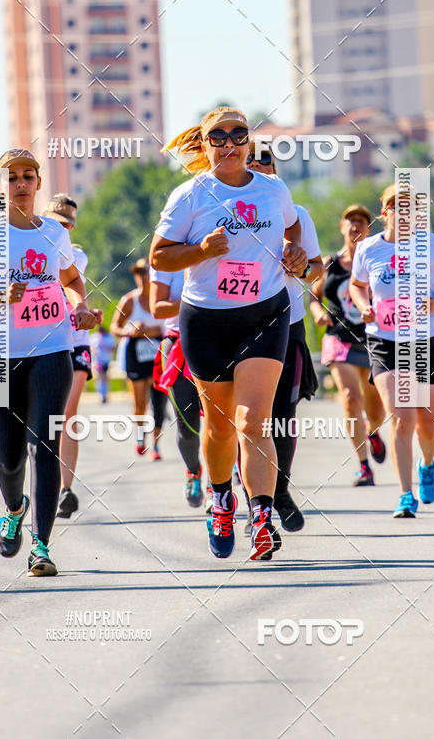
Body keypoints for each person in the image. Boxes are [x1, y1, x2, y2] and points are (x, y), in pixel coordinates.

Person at [150, 106, 306, 561]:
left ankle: (261, 515)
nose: (230, 143)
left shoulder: (273, 189)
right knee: (218, 427)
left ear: (248, 141)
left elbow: (291, 227)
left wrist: (294, 253)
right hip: (207, 319)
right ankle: (221, 501)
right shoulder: (190, 195)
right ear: (205, 145)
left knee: (254, 420)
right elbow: (160, 257)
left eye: (239, 134)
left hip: (265, 313)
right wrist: (199, 249)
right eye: (218, 137)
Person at [0, 149, 98, 575]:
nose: (20, 183)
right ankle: (14, 509)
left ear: (38, 183)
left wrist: (81, 305)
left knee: (45, 445)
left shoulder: (54, 232)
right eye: (11, 176)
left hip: (52, 349)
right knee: (8, 458)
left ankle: (41, 547)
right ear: (1, 186)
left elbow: (71, 279)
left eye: (28, 176)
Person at [349, 183, 434, 518]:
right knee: (401, 417)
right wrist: (363, 306)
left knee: (428, 423)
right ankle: (405, 495)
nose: (407, 213)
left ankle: (427, 464)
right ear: (385, 213)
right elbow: (357, 285)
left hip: (429, 340)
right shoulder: (368, 249)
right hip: (385, 341)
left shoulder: (433, 245)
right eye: (400, 207)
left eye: (414, 208)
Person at [244, 145, 322, 532]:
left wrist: (302, 265)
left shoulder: (296, 214)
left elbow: (317, 268)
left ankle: (282, 489)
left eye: (266, 162)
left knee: (283, 419)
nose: (258, 167)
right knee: (245, 421)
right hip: (238, 326)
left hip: (287, 325)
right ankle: (253, 506)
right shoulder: (223, 209)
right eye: (250, 162)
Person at [310, 205, 386, 486]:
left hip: (372, 340)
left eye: (362, 222)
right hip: (337, 338)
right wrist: (318, 313)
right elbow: (314, 296)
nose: (356, 226)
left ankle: (373, 432)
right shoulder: (330, 263)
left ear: (368, 229)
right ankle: (363, 466)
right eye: (351, 221)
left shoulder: (375, 261)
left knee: (375, 408)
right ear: (342, 227)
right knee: (350, 398)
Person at [41, 194, 101, 520]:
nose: (64, 227)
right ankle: (39, 479)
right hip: (39, 342)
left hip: (75, 341)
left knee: (68, 411)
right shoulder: (26, 249)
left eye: (69, 224)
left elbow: (70, 288)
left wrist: (87, 311)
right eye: (58, 222)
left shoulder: (75, 254)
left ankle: (66, 488)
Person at [150, 265, 205, 506]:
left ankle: (219, 487)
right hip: (177, 344)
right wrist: (194, 300)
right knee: (186, 421)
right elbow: (157, 308)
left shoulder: (222, 243)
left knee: (225, 418)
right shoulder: (166, 256)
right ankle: (193, 471)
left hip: (219, 340)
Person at [110, 259, 166, 459]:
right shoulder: (129, 300)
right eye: (139, 272)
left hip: (158, 352)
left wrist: (153, 330)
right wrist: (130, 331)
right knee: (140, 401)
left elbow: (170, 324)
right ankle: (141, 437)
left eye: (146, 272)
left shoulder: (161, 298)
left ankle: (157, 445)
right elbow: (114, 327)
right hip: (135, 353)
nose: (143, 276)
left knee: (159, 401)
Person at [91, 326, 116, 402]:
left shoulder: (109, 337)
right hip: (98, 361)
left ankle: (105, 394)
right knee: (101, 377)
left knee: (105, 378)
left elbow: (113, 348)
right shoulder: (94, 337)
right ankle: (102, 395)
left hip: (107, 360)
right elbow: (91, 348)